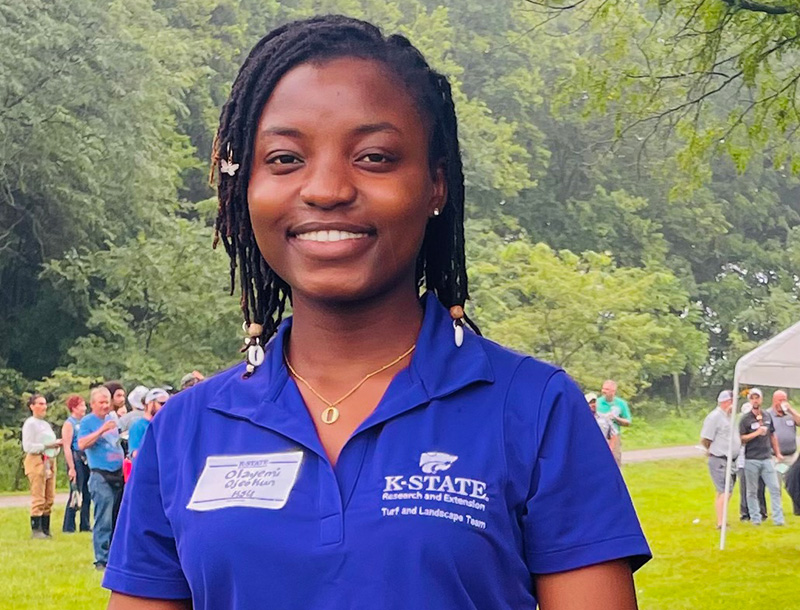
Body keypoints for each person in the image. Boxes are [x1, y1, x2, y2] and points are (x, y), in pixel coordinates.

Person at [104, 17, 650, 610]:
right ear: (246, 188)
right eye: (285, 159)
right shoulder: (184, 430)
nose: (328, 188)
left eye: (374, 157)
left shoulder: (534, 406)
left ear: (435, 185)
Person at [79, 386, 125, 570]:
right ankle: (101, 559)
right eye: (101, 402)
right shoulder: (88, 421)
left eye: (107, 402)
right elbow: (82, 444)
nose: (105, 406)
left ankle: (115, 556)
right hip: (100, 474)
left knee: (117, 517)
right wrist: (101, 430)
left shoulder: (112, 418)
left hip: (118, 472)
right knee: (103, 518)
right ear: (92, 404)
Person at [738, 388, 785, 526]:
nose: (755, 400)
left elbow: (772, 435)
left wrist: (777, 453)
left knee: (774, 488)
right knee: (752, 491)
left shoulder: (766, 416)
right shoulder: (745, 419)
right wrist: (757, 433)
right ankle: (755, 518)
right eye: (752, 398)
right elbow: (742, 438)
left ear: (761, 399)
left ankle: (778, 519)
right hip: (751, 459)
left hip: (766, 458)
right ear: (749, 400)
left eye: (757, 398)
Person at [21, 393, 62, 539]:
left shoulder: (45, 424)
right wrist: (47, 445)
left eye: (45, 403)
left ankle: (46, 527)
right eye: (40, 403)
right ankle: (36, 529)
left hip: (49, 460)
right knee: (38, 495)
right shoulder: (30, 424)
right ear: (32, 406)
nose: (44, 407)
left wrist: (56, 446)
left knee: (49, 496)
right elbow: (28, 446)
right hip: (37, 460)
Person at [700, 390, 740, 529]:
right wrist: (711, 451)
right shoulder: (715, 417)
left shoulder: (730, 417)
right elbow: (706, 438)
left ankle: (721, 519)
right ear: (726, 402)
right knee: (725, 490)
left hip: (731, 459)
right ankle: (721, 523)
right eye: (733, 401)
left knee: (723, 490)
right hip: (719, 458)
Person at [62, 394, 92, 533]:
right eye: (81, 406)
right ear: (74, 408)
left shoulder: (85, 422)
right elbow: (67, 446)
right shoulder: (70, 423)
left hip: (86, 459)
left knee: (87, 493)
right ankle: (69, 525)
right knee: (76, 492)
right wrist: (71, 467)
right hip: (76, 459)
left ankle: (85, 524)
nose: (84, 408)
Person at [737, 399, 766, 521]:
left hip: (757, 457)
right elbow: (741, 440)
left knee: (760, 486)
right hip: (743, 460)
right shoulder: (741, 425)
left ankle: (762, 511)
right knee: (745, 487)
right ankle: (745, 512)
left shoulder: (759, 421)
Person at [596, 379, 632, 466]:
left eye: (607, 389)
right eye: (603, 389)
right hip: (600, 435)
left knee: (615, 460)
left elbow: (628, 422)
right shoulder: (597, 402)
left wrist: (616, 418)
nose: (604, 391)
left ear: (613, 391)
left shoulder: (621, 404)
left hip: (614, 436)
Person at [127, 388, 169, 459]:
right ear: (150, 403)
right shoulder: (138, 425)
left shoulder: (164, 426)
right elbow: (135, 453)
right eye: (162, 403)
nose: (165, 407)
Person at [766, 390, 799, 476]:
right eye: (780, 400)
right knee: (776, 484)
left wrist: (791, 410)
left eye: (784, 400)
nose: (782, 403)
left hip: (791, 456)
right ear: (774, 400)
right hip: (775, 457)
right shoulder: (767, 415)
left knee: (794, 483)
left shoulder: (790, 415)